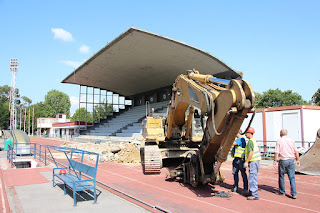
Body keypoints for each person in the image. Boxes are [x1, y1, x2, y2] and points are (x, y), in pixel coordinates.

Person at [273, 129, 300, 199]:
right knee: (292, 177)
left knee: (281, 176)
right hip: (291, 160)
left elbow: (277, 152)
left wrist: (275, 161)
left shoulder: (279, 141)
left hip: (283, 160)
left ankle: (282, 192)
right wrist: (297, 159)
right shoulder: (292, 140)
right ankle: (294, 193)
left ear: (280, 133)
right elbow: (296, 151)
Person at [243, 127, 261, 200]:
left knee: (252, 177)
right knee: (253, 177)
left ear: (250, 133)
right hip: (255, 160)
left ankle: (254, 194)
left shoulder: (250, 141)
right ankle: (252, 191)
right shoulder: (253, 140)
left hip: (253, 161)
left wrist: (246, 161)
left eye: (246, 133)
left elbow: (251, 152)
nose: (245, 135)